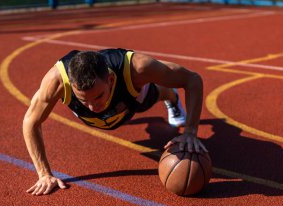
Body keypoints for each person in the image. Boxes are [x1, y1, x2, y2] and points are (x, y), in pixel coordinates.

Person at [23, 48, 208, 196]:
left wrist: (190, 132)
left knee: (158, 92)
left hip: (131, 103)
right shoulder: (56, 81)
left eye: (98, 96)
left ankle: (172, 99)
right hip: (99, 119)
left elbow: (192, 79)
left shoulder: (137, 68)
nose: (92, 107)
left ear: (111, 79)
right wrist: (44, 174)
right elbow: (30, 122)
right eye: (83, 99)